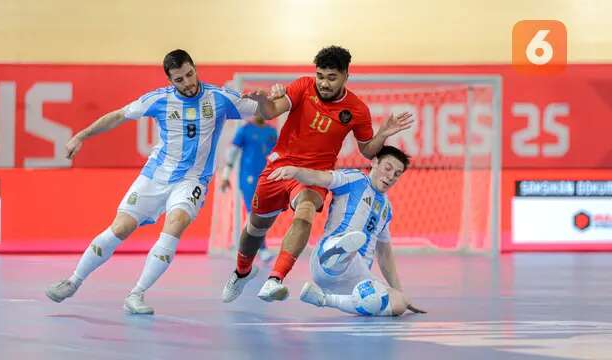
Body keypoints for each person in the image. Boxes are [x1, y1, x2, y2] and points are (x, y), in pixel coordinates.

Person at [45, 49, 259, 314]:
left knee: (176, 223)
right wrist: (81, 136)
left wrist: (283, 96)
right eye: (179, 79)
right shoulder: (158, 100)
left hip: (193, 179)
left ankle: (136, 295)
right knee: (120, 228)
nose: (188, 83)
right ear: (171, 81)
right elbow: (118, 116)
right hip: (155, 175)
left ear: (195, 68)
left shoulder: (219, 98)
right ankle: (73, 281)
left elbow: (267, 108)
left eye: (190, 74)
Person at [222, 45, 414, 303]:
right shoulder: (303, 86)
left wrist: (382, 134)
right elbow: (270, 112)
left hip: (314, 175)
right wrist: (263, 100)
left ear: (346, 75)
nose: (323, 83)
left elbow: (368, 151)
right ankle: (241, 272)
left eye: (331, 77)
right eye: (320, 76)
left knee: (305, 212)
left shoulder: (357, 110)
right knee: (255, 229)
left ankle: (274, 279)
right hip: (279, 168)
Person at [267, 146, 426, 316]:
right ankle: (339, 248)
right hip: (326, 261)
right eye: (388, 168)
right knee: (351, 241)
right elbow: (320, 177)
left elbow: (385, 254)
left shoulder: (386, 210)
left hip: (356, 278)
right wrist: (295, 171)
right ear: (374, 162)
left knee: (398, 304)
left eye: (397, 174)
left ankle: (323, 299)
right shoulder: (353, 179)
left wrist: (399, 292)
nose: (391, 176)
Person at [220, 115, 278, 262]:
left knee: (264, 214)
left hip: (267, 177)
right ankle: (262, 249)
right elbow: (232, 153)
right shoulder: (244, 130)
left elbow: (276, 154)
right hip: (249, 178)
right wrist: (226, 176)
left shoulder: (272, 132)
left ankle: (250, 247)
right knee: (254, 212)